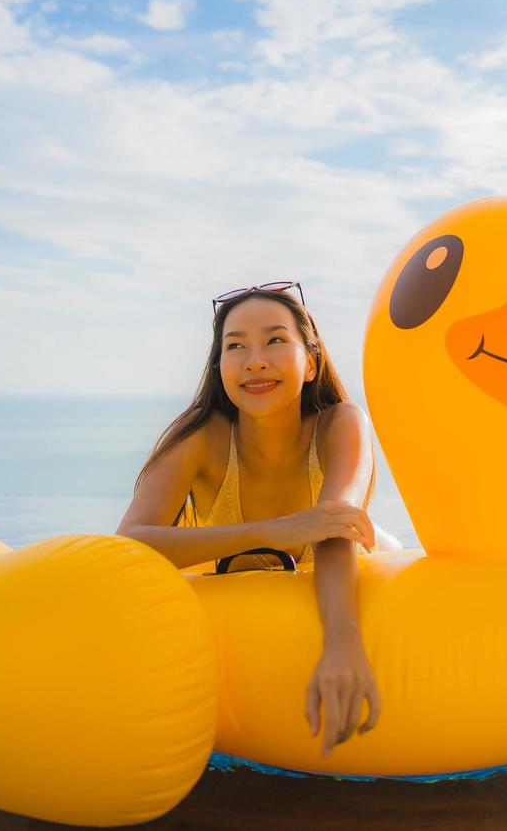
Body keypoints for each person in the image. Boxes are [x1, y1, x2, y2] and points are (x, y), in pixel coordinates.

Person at [115, 281, 400, 759]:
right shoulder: (202, 440)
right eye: (235, 346)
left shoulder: (342, 423)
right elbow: (128, 544)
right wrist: (272, 532)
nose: (255, 361)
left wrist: (343, 640)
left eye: (274, 340)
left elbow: (336, 528)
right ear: (219, 367)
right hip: (238, 587)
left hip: (356, 563)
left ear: (311, 363)